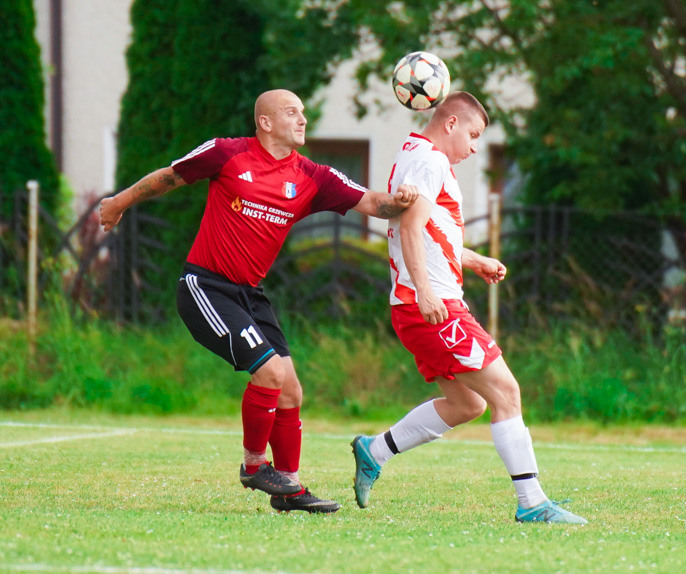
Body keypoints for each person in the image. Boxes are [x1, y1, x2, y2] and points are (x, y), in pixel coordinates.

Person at [100, 89, 419, 514]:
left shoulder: (313, 176)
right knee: (269, 373)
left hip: (251, 294)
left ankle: (289, 487)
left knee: (290, 388)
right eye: (292, 112)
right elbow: (170, 176)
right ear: (265, 122)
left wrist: (401, 200)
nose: (303, 119)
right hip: (205, 287)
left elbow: (374, 203)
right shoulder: (228, 154)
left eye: (304, 113)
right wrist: (118, 202)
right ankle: (254, 466)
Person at [350, 92, 588, 524]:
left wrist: (474, 261)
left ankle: (374, 450)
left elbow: (430, 231)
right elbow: (410, 227)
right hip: (430, 305)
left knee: (467, 405)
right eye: (473, 135)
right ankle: (533, 503)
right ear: (451, 123)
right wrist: (424, 290)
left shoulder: (413, 152)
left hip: (416, 306)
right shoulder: (432, 161)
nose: (474, 147)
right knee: (506, 393)